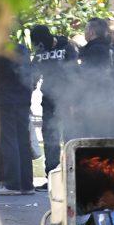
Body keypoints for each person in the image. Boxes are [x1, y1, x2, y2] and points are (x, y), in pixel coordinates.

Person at [30, 24, 78, 184]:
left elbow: (74, 73)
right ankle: (52, 177)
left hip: (67, 98)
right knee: (50, 137)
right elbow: (33, 75)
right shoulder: (39, 52)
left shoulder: (67, 48)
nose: (39, 46)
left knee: (70, 137)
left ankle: (73, 174)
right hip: (49, 100)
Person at [0, 42, 34, 195]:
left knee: (9, 141)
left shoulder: (1, 53)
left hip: (6, 100)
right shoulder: (23, 51)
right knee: (23, 141)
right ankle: (27, 184)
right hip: (23, 100)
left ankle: (12, 184)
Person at [77, 18, 114, 137]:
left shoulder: (92, 51)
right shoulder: (111, 49)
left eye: (85, 29)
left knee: (92, 138)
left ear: (92, 32)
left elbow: (87, 77)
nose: (84, 33)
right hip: (112, 100)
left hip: (94, 101)